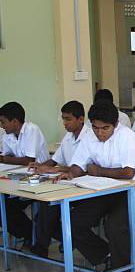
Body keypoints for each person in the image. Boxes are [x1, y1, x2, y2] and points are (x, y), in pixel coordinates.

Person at [58, 99, 135, 272]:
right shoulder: (90, 137)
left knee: (114, 225)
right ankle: (106, 256)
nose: (100, 133)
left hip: (133, 192)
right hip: (103, 192)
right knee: (72, 221)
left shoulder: (128, 137)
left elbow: (128, 173)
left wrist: (98, 171)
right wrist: (71, 174)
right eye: (96, 127)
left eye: (105, 128)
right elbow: (79, 164)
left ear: (115, 125)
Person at [28, 101, 90, 257]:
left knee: (48, 211)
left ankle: (48, 245)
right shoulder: (68, 137)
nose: (64, 123)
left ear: (81, 119)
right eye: (63, 119)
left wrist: (52, 169)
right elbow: (55, 159)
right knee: (44, 209)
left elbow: (82, 168)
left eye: (68, 119)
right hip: (67, 182)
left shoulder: (90, 137)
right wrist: (40, 165)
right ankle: (63, 240)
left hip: (84, 184)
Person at [0, 101, 49, 243]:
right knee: (2, 206)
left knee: (8, 208)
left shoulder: (31, 130)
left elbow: (28, 160)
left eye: (3, 122)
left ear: (15, 121)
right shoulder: (7, 135)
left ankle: (32, 236)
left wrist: (4, 158)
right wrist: (4, 158)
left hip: (40, 179)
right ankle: (29, 234)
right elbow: (6, 157)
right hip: (18, 179)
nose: (2, 126)